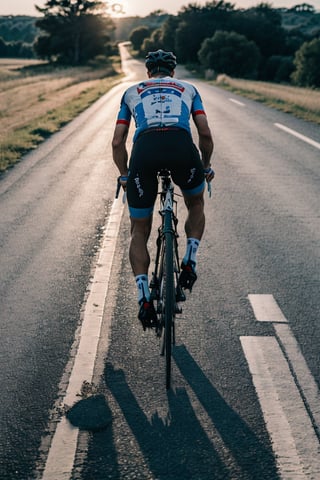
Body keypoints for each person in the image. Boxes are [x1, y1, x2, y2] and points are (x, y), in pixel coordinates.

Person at [112, 49, 214, 330]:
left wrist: (124, 175)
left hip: (145, 152)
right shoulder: (189, 89)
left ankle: (143, 294)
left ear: (148, 72)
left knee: (139, 228)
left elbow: (118, 142)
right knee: (195, 203)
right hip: (181, 149)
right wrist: (205, 167)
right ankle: (190, 258)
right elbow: (204, 133)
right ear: (172, 72)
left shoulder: (131, 92)